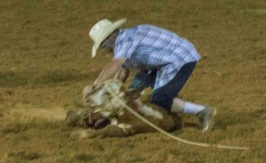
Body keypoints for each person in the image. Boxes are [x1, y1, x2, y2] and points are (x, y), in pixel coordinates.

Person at [87, 19, 216, 131]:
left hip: (178, 59)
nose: (105, 49)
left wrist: (96, 84)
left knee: (160, 99)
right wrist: (114, 92)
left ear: (111, 37)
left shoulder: (125, 39)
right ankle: (117, 118)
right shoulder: (126, 40)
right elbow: (121, 71)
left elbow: (116, 64)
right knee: (130, 95)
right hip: (160, 63)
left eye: (103, 45)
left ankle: (203, 111)